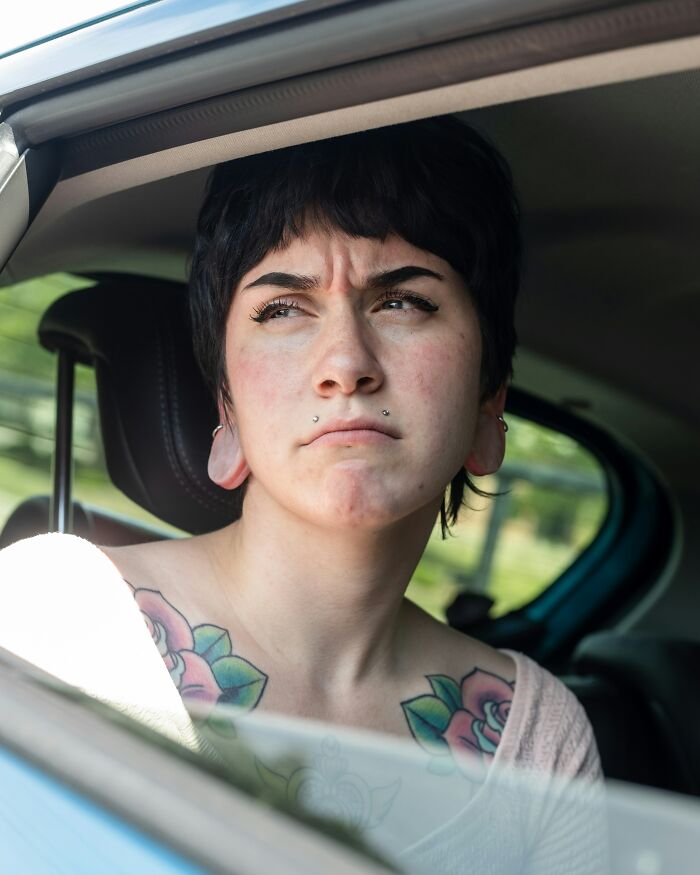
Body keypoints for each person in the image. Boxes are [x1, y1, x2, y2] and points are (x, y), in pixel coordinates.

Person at [0, 116, 605, 871]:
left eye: (404, 301)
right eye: (282, 308)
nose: (346, 362)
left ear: (489, 407)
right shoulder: (50, 614)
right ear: (226, 413)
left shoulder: (540, 739)